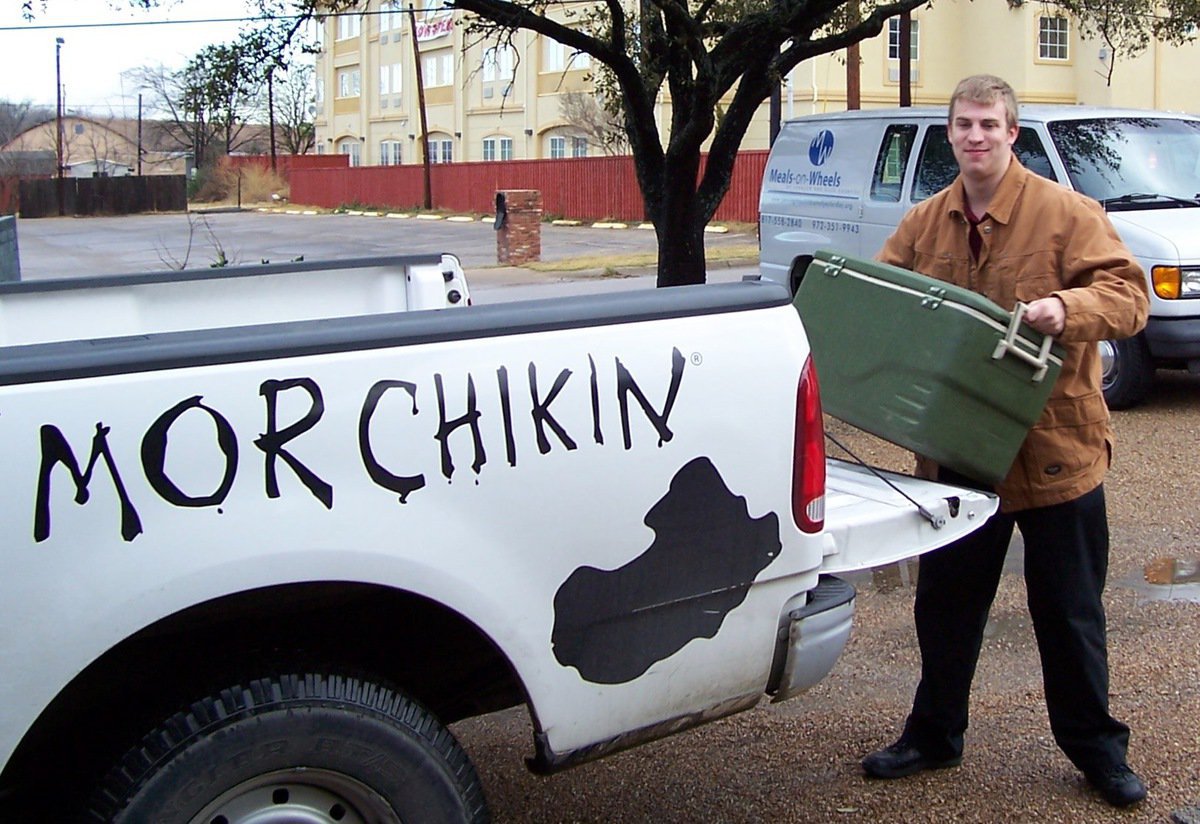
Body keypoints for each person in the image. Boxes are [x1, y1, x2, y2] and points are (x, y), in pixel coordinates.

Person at [860, 74, 1150, 808]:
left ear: (1012, 133)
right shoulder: (925, 221)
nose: (975, 136)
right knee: (946, 608)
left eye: (989, 124)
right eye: (963, 124)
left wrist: (1066, 304)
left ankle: (1097, 752)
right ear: (951, 133)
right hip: (959, 452)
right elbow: (879, 298)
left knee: (1070, 613)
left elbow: (1129, 297)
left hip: (1056, 450)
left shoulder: (1064, 212)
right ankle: (933, 735)